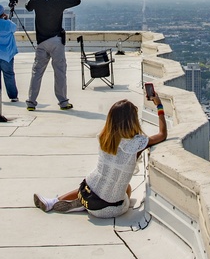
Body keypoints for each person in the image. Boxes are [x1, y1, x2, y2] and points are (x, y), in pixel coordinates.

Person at [34, 88, 167, 217]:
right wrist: (159, 105)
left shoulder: (104, 137)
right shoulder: (136, 144)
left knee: (95, 184)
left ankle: (54, 202)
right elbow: (162, 134)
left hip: (88, 191)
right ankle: (85, 205)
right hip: (110, 209)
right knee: (127, 188)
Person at [25, 0, 80, 111]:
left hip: (42, 42)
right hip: (56, 41)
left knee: (37, 72)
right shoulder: (59, 2)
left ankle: (31, 102)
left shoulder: (36, 2)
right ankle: (63, 102)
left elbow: (28, 7)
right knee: (60, 72)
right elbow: (77, 1)